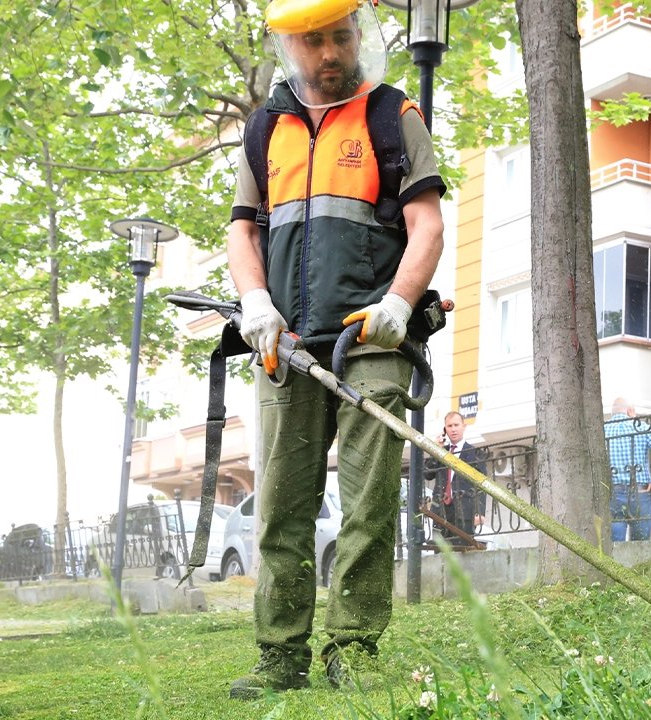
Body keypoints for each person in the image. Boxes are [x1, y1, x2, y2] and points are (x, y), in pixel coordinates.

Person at [224, 0, 445, 700]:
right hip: (284, 344)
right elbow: (243, 232)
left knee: (368, 504)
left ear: (359, 36)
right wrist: (255, 303)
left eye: (341, 37)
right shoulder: (266, 128)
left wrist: (398, 306)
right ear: (291, 46)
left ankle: (352, 647)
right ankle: (280, 656)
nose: (329, 53)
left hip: (370, 336)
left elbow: (427, 226)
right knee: (283, 507)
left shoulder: (392, 115)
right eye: (314, 40)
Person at [604, 397, 651, 542]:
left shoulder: (603, 430)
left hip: (613, 494)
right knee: (640, 546)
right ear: (630, 410)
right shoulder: (640, 427)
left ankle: (616, 564)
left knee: (615, 544)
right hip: (641, 493)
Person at [429, 411, 487, 544]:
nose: (453, 429)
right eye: (449, 426)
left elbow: (482, 484)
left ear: (464, 426)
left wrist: (480, 512)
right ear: (445, 429)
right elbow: (428, 473)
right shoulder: (441, 451)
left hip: (465, 509)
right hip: (441, 510)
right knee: (441, 553)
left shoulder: (474, 453)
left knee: (462, 551)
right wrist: (435, 450)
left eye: (456, 425)